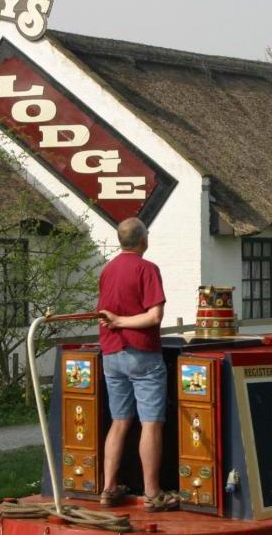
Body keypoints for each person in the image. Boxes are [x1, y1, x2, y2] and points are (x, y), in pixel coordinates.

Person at [97, 217, 178, 512]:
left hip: (111, 353)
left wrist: (116, 322)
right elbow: (154, 317)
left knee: (119, 421)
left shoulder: (107, 270)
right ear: (144, 240)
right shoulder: (147, 268)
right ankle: (153, 493)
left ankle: (109, 488)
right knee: (150, 423)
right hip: (141, 353)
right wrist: (122, 321)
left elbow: (104, 313)